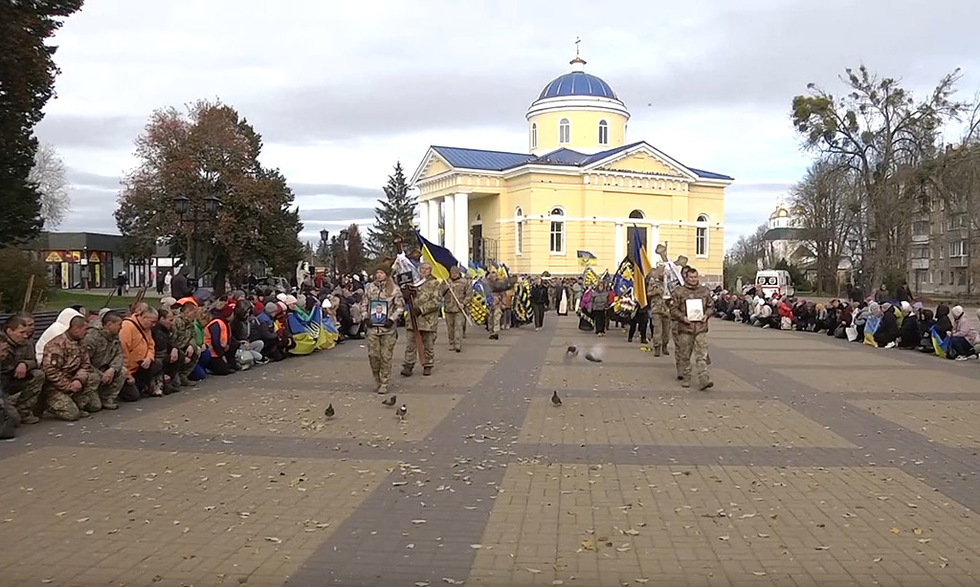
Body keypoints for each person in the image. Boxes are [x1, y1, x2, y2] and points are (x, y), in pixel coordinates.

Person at [41, 315, 102, 421]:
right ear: (76, 329)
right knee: (72, 415)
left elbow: (85, 365)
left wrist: (78, 379)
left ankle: (77, 402)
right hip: (55, 386)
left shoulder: (81, 343)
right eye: (84, 329)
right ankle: (50, 404)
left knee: (95, 404)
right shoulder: (56, 345)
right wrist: (68, 386)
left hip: (74, 380)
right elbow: (51, 371)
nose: (86, 332)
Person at [360, 264, 405, 394]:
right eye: (377, 272)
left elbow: (400, 307)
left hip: (388, 330)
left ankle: (384, 382)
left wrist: (392, 319)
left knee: (386, 357)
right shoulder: (370, 288)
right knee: (373, 356)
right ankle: (376, 379)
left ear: (387, 274)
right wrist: (365, 318)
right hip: (373, 329)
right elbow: (364, 304)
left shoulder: (394, 289)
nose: (378, 275)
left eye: (381, 272)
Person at [670, 266, 714, 391]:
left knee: (702, 355)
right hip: (685, 328)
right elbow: (673, 309)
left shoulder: (704, 291)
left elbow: (711, 306)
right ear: (686, 277)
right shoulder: (679, 291)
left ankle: (704, 378)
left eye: (695, 277)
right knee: (685, 355)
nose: (694, 279)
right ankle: (686, 376)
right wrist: (682, 317)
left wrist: (707, 315)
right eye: (691, 277)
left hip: (700, 328)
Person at [1, 313, 44, 425]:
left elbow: (34, 361)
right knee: (11, 421)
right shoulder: (2, 343)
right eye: (21, 333)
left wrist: (24, 364)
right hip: (2, 382)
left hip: (14, 379)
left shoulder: (26, 343)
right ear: (10, 331)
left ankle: (23, 411)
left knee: (38, 375)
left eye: (26, 332)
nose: (25, 336)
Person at [82, 311, 129, 409]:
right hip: (92, 371)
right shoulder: (91, 337)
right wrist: (100, 374)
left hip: (106, 369)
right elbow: (85, 362)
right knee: (94, 406)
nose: (121, 328)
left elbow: (119, 354)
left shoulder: (115, 336)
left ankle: (107, 397)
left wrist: (112, 369)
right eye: (119, 325)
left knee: (122, 371)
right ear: (109, 324)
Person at [402, 263, 441, 377]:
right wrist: (406, 295)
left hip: (427, 320)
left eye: (427, 269)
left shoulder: (434, 283)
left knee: (428, 344)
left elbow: (436, 302)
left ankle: (427, 365)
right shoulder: (413, 282)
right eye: (422, 268)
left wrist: (421, 309)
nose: (424, 271)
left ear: (430, 270)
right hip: (413, 319)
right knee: (410, 344)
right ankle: (408, 365)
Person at [119, 303, 161, 397]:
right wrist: (128, 374)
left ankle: (143, 386)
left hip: (141, 365)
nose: (153, 325)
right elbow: (123, 352)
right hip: (128, 369)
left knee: (157, 363)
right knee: (133, 396)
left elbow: (151, 345)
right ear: (143, 317)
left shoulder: (147, 328)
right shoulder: (127, 327)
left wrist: (149, 358)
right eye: (152, 322)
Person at [440, 266, 471, 351]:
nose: (454, 275)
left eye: (456, 273)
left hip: (459, 308)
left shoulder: (464, 282)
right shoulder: (446, 282)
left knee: (458, 327)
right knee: (450, 327)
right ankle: (451, 342)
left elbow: (469, 295)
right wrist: (446, 287)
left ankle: (458, 344)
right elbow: (440, 293)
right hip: (448, 308)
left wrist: (464, 303)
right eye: (452, 273)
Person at [203, 300, 236, 376]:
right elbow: (215, 342)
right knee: (224, 370)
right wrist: (221, 355)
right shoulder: (217, 323)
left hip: (219, 350)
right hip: (212, 352)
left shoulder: (223, 322)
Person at [647, 267, 670, 356]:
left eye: (664, 272)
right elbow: (649, 293)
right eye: (660, 272)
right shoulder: (653, 282)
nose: (662, 274)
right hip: (656, 308)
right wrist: (656, 292)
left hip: (667, 309)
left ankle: (665, 345)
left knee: (666, 331)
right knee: (657, 329)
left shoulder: (668, 283)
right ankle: (657, 347)